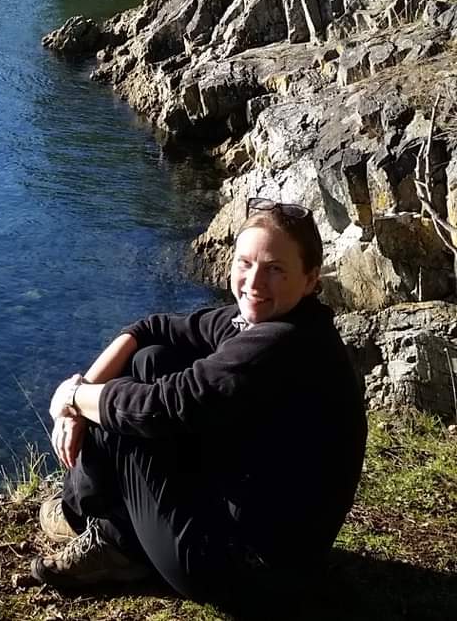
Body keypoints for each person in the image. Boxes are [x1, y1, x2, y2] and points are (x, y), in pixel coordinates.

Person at [34, 197, 367, 610]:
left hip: (245, 570)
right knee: (149, 359)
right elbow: (150, 327)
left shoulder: (283, 343)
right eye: (245, 263)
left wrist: (73, 397)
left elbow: (156, 407)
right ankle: (91, 515)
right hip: (255, 522)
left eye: (275, 269)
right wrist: (82, 390)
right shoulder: (263, 320)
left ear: (311, 279)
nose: (254, 283)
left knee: (123, 414)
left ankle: (108, 538)